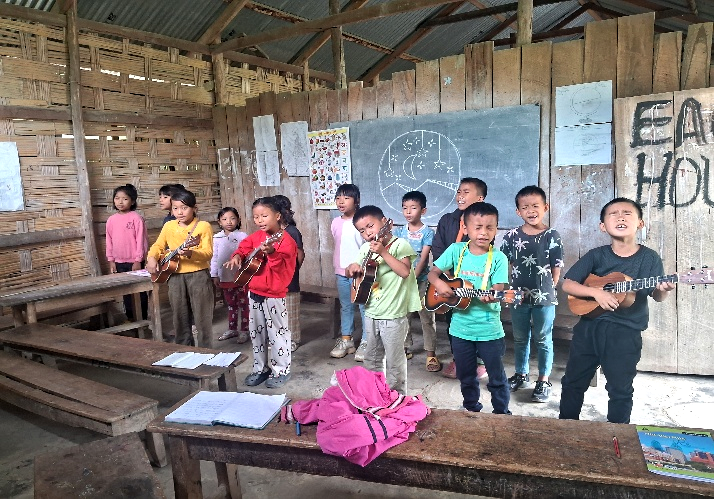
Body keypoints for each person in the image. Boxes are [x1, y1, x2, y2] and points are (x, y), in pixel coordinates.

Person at [559, 198, 674, 424]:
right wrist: (597, 294)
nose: (620, 217)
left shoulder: (649, 258)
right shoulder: (596, 255)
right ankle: (566, 427)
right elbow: (568, 284)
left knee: (620, 389)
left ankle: (618, 435)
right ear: (603, 226)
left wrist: (664, 290)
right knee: (573, 382)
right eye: (613, 214)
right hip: (589, 328)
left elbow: (657, 296)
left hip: (625, 333)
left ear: (640, 223)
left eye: (627, 213)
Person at [428, 202, 511, 414]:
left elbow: (499, 288)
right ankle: (471, 409)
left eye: (489, 228)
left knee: (496, 377)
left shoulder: (499, 258)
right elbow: (433, 273)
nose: (483, 233)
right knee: (466, 376)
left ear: (496, 229)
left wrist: (492, 295)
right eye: (477, 227)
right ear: (465, 228)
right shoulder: (456, 250)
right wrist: (440, 285)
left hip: (489, 330)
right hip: (459, 329)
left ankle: (502, 413)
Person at [345, 205, 422, 395]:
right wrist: (351, 269)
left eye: (370, 226)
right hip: (371, 312)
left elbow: (404, 271)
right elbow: (354, 269)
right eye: (362, 231)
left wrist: (383, 253)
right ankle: (374, 393)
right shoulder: (365, 248)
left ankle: (397, 396)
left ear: (385, 222)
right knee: (371, 358)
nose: (367, 233)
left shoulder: (400, 245)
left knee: (395, 360)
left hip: (393, 315)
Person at [500, 185, 564, 403]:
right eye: (525, 207)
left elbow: (556, 266)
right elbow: (504, 263)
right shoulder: (511, 236)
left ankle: (543, 380)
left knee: (543, 338)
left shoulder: (552, 236)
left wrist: (550, 289)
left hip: (544, 298)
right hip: (518, 297)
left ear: (546, 207)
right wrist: (507, 289)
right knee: (520, 337)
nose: (531, 210)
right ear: (518, 211)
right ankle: (521, 374)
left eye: (535, 206)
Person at [225, 197, 297, 388]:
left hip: (274, 295)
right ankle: (261, 368)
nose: (259, 220)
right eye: (256, 217)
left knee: (277, 334)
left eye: (264, 216)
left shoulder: (286, 241)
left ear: (277, 216)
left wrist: (272, 253)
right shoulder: (257, 236)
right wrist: (237, 256)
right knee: (257, 333)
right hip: (254, 291)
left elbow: (282, 270)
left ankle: (281, 370)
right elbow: (244, 247)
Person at [430, 177, 488, 379]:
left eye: (466, 192)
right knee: (453, 319)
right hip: (448, 280)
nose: (460, 196)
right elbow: (438, 247)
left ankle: (479, 361)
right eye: (459, 192)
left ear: (480, 198)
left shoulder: (483, 222)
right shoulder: (447, 220)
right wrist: (446, 274)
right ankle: (458, 358)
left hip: (472, 280)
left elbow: (482, 251)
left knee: (475, 318)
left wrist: (462, 276)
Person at [146, 189, 214, 347]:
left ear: (194, 208)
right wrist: (152, 258)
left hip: (198, 275)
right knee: (179, 316)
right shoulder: (169, 226)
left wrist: (191, 253)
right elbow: (158, 245)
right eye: (176, 208)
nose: (180, 212)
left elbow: (208, 253)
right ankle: (185, 350)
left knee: (202, 317)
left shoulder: (203, 226)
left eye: (184, 208)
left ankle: (206, 352)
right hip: (174, 276)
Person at [393, 191, 439, 372]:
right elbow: (396, 256)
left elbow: (423, 258)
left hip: (421, 282)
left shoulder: (427, 232)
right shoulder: (399, 231)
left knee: (426, 317)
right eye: (405, 208)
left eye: (413, 208)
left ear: (423, 210)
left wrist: (411, 278)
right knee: (404, 316)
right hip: (402, 280)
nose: (408, 212)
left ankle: (431, 353)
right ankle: (406, 347)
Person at [330, 183, 368, 360]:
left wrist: (362, 267)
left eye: (346, 198)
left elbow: (367, 246)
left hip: (361, 273)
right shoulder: (335, 222)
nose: (341, 201)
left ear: (357, 200)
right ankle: (347, 340)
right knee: (346, 306)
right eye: (338, 198)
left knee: (364, 307)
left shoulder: (362, 222)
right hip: (341, 272)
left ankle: (367, 342)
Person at [105, 183, 148, 321]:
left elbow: (141, 240)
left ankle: (142, 319)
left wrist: (138, 260)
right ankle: (131, 319)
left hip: (134, 262)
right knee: (126, 292)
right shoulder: (111, 220)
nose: (120, 202)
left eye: (125, 198)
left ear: (132, 201)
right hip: (119, 262)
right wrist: (111, 260)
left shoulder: (136, 218)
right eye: (117, 198)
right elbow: (109, 241)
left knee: (140, 291)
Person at [211, 207, 250, 344]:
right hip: (225, 277)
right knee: (231, 304)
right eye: (225, 219)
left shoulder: (243, 236)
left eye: (232, 218)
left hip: (241, 277)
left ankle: (245, 330)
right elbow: (214, 258)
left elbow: (248, 255)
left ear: (238, 220)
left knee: (244, 304)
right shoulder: (216, 238)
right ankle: (232, 329)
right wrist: (214, 275)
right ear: (219, 222)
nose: (229, 221)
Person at [274, 194, 305, 352]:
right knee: (278, 312)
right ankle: (280, 338)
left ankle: (293, 340)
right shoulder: (272, 232)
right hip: (275, 280)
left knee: (291, 313)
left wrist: (292, 271)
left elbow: (300, 254)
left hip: (289, 280)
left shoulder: (292, 231)